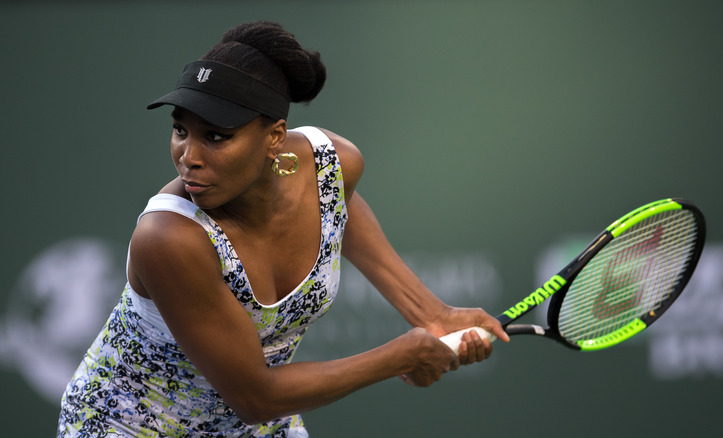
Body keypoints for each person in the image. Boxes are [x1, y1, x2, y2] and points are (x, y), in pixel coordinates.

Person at [57, 20, 509, 437]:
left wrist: (433, 314)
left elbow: (336, 212)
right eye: (180, 130)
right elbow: (256, 397)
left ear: (274, 136)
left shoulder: (332, 165)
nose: (188, 156)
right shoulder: (169, 239)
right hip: (128, 426)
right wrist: (399, 356)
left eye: (216, 136)